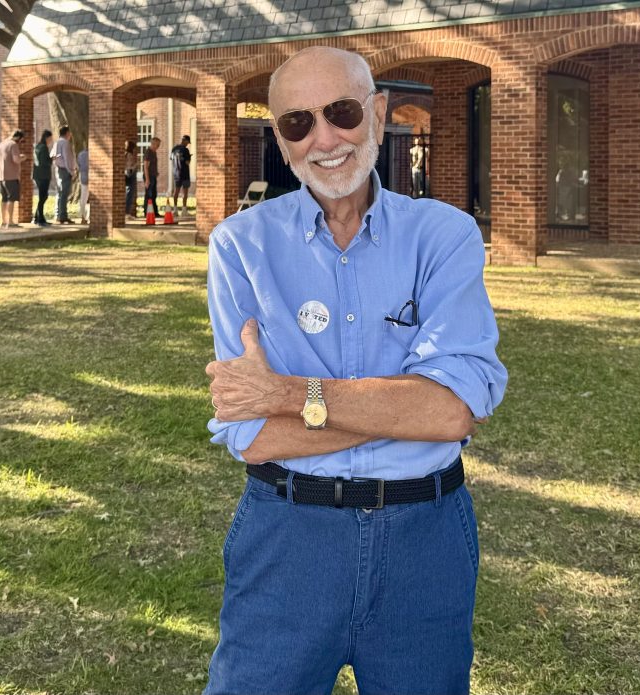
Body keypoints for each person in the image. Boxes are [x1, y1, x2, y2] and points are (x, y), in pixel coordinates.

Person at [203, 47, 508, 695]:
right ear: (282, 141)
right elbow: (254, 436)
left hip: (423, 543)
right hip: (287, 540)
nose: (325, 139)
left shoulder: (444, 235)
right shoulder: (241, 246)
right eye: (297, 124)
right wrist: (407, 411)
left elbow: (451, 409)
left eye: (341, 112)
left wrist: (288, 394)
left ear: (375, 111)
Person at [0, 129, 28, 230]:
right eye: (22, 140)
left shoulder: (2, 144)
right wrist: (23, 157)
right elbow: (16, 160)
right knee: (11, 198)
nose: (21, 142)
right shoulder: (13, 145)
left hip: (1, 176)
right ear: (18, 138)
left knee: (4, 199)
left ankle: (3, 221)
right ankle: (10, 221)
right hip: (11, 176)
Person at [50, 126, 76, 224]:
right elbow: (67, 157)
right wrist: (71, 170)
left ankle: (58, 215)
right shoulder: (65, 143)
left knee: (60, 193)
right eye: (69, 132)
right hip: (65, 170)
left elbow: (52, 155)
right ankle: (62, 216)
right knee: (64, 193)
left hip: (58, 169)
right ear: (67, 133)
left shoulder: (57, 142)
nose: (71, 135)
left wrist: (57, 161)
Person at [33, 130, 53, 226]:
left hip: (37, 175)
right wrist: (51, 158)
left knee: (42, 196)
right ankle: (40, 219)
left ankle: (37, 217)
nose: (51, 141)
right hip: (44, 175)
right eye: (50, 139)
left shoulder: (37, 146)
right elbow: (45, 162)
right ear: (46, 138)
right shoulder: (44, 148)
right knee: (43, 197)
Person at [169, 134, 192, 216]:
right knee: (185, 192)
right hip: (185, 173)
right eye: (187, 142)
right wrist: (189, 157)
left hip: (176, 173)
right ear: (185, 140)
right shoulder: (186, 150)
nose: (187, 144)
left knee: (176, 191)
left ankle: (175, 210)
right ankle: (184, 210)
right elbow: (187, 162)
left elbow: (171, 159)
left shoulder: (174, 149)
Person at [142, 136, 161, 216]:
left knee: (154, 194)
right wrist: (147, 179)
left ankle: (154, 212)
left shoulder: (154, 152)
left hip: (153, 176)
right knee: (149, 194)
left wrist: (156, 172)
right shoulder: (148, 152)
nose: (158, 147)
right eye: (157, 145)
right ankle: (147, 212)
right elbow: (145, 166)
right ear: (153, 144)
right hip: (149, 176)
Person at [124, 140, 139, 219]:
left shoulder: (125, 154)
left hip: (127, 173)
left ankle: (127, 213)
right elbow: (129, 166)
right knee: (130, 193)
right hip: (130, 173)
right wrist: (135, 165)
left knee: (128, 193)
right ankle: (127, 213)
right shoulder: (129, 155)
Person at [77, 147, 90, 224]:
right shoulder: (92, 154)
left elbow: (78, 165)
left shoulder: (80, 154)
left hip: (83, 176)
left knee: (83, 197)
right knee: (92, 198)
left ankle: (83, 216)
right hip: (92, 177)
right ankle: (88, 216)